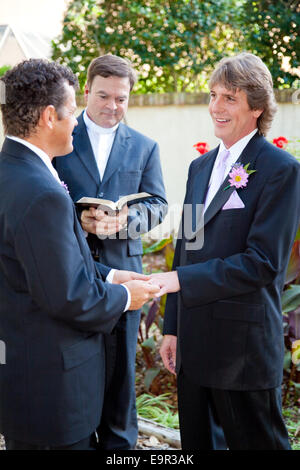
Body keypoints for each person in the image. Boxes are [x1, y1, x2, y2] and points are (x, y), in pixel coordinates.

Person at [0, 59, 159, 450]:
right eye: (72, 111)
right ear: (49, 117)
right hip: (53, 384)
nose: (76, 121)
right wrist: (126, 295)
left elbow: (40, 261)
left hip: (26, 366)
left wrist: (111, 275)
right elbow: (68, 295)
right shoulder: (43, 191)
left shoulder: (11, 170)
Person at [151, 53, 300, 450]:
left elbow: (264, 263)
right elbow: (188, 247)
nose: (216, 107)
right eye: (213, 95)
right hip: (194, 349)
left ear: (257, 107)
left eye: (230, 98)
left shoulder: (280, 169)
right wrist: (172, 327)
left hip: (242, 353)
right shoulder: (199, 168)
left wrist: (179, 280)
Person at [54, 54, 167, 450]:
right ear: (86, 91)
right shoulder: (60, 137)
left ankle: (119, 447)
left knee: (121, 375)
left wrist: (127, 220)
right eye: (103, 96)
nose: (112, 106)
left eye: (121, 98)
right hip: (71, 271)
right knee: (75, 364)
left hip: (126, 272)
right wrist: (77, 219)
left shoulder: (145, 146)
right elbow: (43, 196)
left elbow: (159, 203)